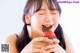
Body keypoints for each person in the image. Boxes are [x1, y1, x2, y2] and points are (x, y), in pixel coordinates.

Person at [5, 0, 74, 53]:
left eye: (54, 13)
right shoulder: (7, 40)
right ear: (27, 18)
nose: (49, 19)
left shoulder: (63, 37)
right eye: (42, 13)